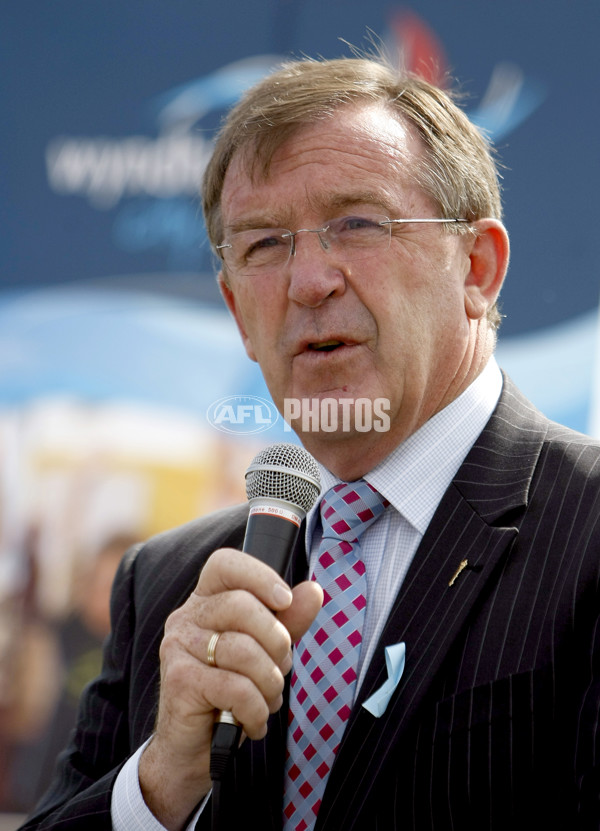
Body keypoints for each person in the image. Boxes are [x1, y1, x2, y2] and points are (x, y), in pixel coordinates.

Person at [19, 56, 600, 831]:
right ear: (234, 309)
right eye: (263, 245)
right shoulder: (165, 587)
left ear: (479, 268)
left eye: (357, 223)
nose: (308, 280)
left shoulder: (588, 531)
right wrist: (161, 783)